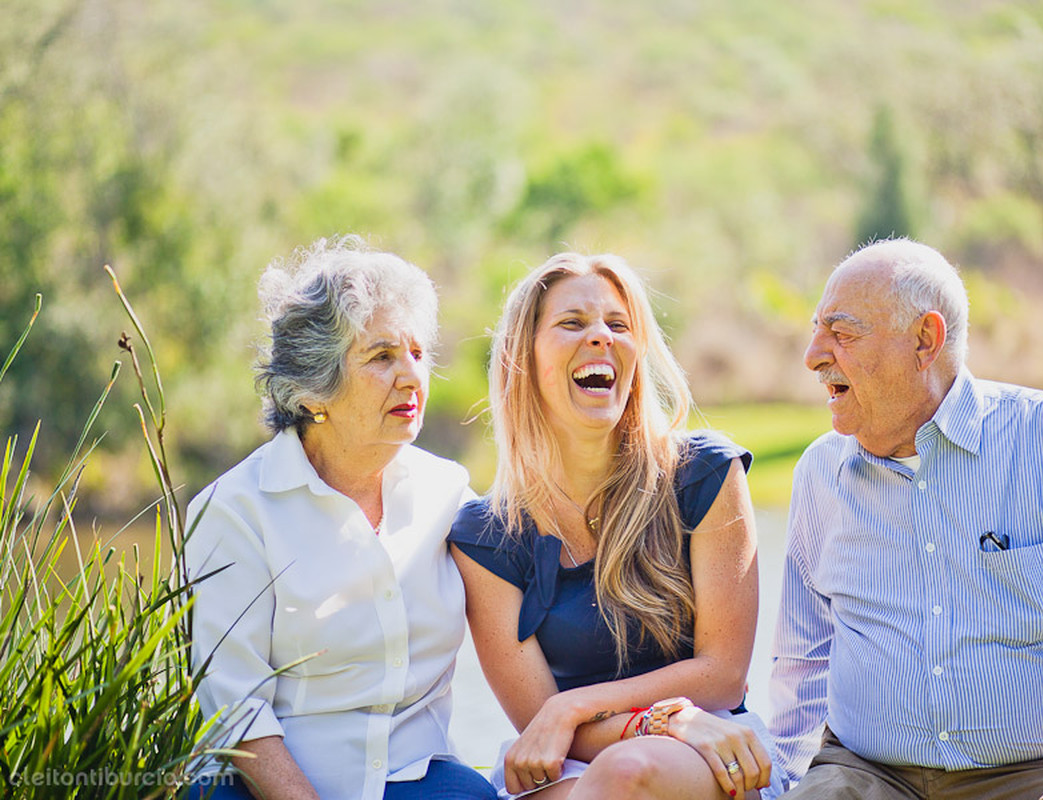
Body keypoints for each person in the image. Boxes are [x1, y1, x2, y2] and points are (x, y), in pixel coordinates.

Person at [768, 238, 1043, 800]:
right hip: (864, 775)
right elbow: (803, 662)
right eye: (817, 329)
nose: (814, 355)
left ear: (925, 340)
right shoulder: (820, 473)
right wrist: (782, 785)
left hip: (1040, 773)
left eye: (841, 332)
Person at [447, 252, 785, 800]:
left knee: (626, 774)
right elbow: (540, 731)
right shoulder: (486, 535)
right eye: (573, 323)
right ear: (522, 357)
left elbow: (722, 674)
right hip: (577, 760)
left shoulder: (703, 474)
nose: (601, 337)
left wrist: (575, 704)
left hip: (709, 742)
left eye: (619, 325)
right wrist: (647, 722)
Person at [185, 236, 497, 800]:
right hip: (268, 788)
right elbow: (234, 703)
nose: (412, 377)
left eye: (418, 354)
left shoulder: (449, 493)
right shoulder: (234, 511)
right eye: (381, 357)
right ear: (313, 390)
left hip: (418, 779)